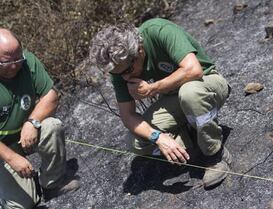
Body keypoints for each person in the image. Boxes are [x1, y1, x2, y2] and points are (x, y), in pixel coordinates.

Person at [89, 18, 232, 189]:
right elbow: (127, 116)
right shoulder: (120, 67)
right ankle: (190, 148)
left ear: (139, 51)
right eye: (119, 75)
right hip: (173, 99)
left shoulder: (159, 31)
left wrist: (153, 88)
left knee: (189, 93)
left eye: (128, 71)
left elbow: (193, 70)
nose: (125, 78)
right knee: (135, 141)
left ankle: (214, 154)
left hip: (206, 84)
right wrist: (157, 137)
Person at [0, 29, 80, 209]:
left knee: (52, 125)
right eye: (7, 62)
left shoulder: (28, 63)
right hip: (2, 150)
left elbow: (51, 96)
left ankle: (52, 183)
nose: (15, 65)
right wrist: (11, 157)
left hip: (24, 135)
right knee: (23, 207)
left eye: (18, 58)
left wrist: (32, 122)